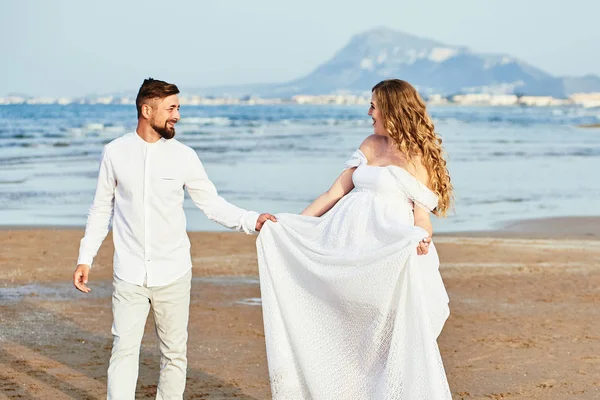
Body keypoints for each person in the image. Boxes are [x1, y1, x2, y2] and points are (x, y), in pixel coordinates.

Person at [72, 78, 276, 400]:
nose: (177, 115)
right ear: (146, 109)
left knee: (174, 356)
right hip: (129, 273)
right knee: (123, 351)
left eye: (178, 108)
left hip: (174, 272)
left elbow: (212, 204)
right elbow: (101, 210)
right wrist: (86, 257)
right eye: (171, 108)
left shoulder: (184, 156)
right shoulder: (115, 152)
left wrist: (252, 220)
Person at [256, 79, 453, 399]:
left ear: (392, 108)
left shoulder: (417, 156)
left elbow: (422, 216)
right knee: (344, 329)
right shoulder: (369, 144)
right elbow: (334, 193)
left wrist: (422, 238)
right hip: (345, 247)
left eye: (374, 105)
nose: (368, 112)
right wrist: (289, 225)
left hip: (384, 256)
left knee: (383, 335)